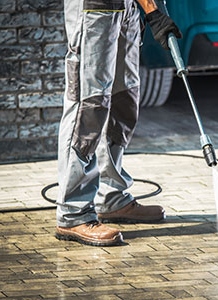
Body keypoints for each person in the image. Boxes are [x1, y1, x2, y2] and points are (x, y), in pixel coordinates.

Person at [55, 0, 182, 246]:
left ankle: (111, 197)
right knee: (89, 104)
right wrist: (152, 10)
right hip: (95, 7)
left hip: (127, 9)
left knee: (124, 100)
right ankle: (73, 211)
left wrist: (154, 11)